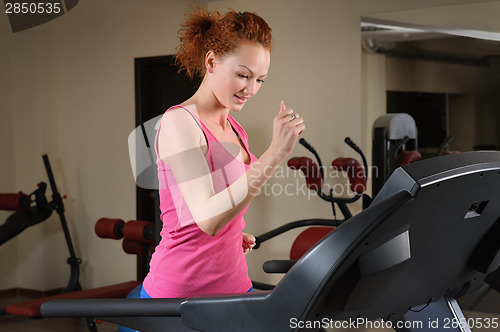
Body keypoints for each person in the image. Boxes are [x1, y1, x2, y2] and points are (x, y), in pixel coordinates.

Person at [141, 7, 305, 299]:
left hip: (235, 285)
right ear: (212, 61)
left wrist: (230, 235)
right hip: (182, 295)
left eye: (260, 79)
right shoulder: (180, 122)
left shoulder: (235, 129)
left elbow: (213, 212)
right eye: (243, 75)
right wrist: (273, 154)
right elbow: (207, 218)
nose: (251, 89)